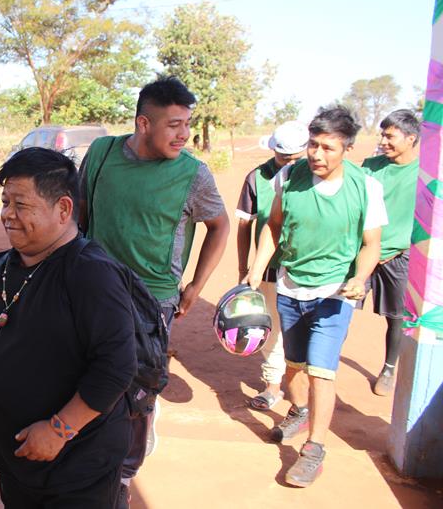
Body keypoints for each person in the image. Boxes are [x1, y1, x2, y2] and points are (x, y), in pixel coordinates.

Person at [0, 148, 136, 508]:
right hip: (16, 459)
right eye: (5, 201)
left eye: (21, 204)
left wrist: (59, 429)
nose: (7, 214)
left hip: (77, 467)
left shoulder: (90, 272)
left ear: (64, 209)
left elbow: (116, 366)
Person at [78, 76, 229, 508]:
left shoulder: (193, 174)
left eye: (188, 125)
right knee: (93, 373)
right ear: (143, 124)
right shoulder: (102, 154)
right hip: (96, 286)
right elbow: (83, 214)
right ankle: (93, 448)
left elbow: (219, 226)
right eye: (174, 125)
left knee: (137, 387)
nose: (184, 135)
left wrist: (197, 286)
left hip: (154, 298)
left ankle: (125, 471)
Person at [247, 105, 388, 487]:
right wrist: (258, 268)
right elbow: (273, 227)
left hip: (335, 293)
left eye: (328, 147)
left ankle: (314, 450)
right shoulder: (289, 176)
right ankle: (300, 410)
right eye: (313, 145)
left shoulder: (366, 187)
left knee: (321, 370)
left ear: (348, 149)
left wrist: (360, 276)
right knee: (294, 368)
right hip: (292, 287)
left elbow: (371, 244)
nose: (317, 155)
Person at [235, 121, 308, 412]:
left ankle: (302, 384)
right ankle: (273, 386)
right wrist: (245, 267)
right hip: (267, 269)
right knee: (272, 327)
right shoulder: (256, 178)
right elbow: (244, 225)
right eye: (283, 158)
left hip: (304, 270)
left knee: (301, 329)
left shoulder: (313, 177)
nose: (288, 165)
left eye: (294, 160)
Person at [360, 109, 420, 396]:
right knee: (341, 305)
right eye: (382, 134)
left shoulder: (424, 174)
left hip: (398, 255)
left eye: (390, 135)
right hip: (363, 252)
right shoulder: (369, 167)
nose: (383, 140)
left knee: (397, 316)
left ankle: (389, 368)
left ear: (411, 139)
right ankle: (326, 365)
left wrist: (401, 246)